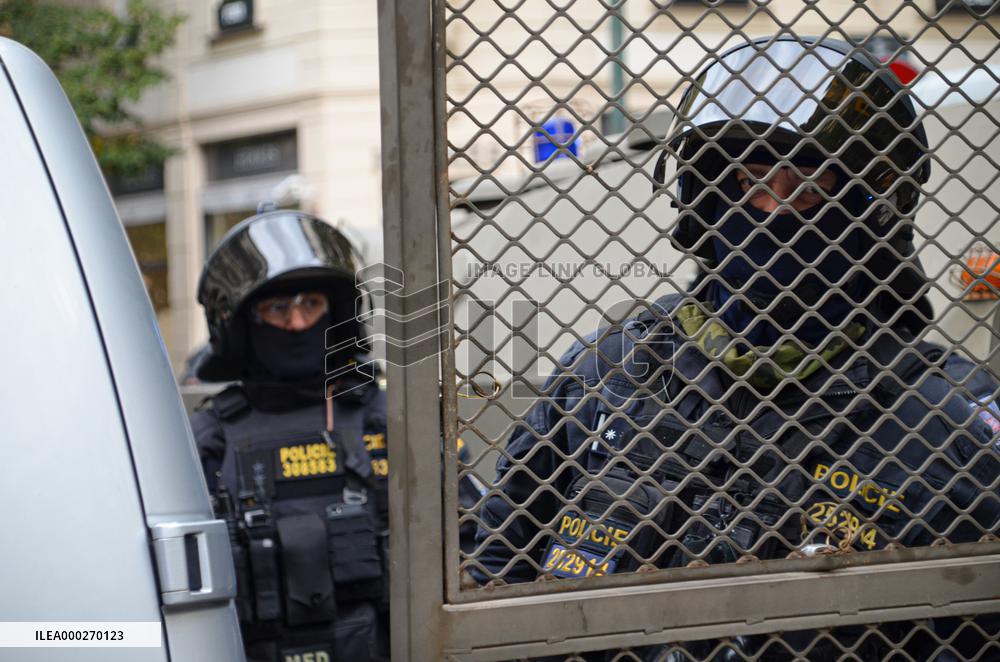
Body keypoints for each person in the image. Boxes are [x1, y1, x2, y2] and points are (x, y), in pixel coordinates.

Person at [469, 36, 999, 658]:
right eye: (749, 184)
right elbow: (494, 579)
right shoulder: (611, 369)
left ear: (868, 208)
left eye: (804, 189)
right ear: (708, 204)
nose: (771, 213)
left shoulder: (953, 422)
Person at [190, 209, 390, 662]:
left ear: (336, 312)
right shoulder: (209, 438)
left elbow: (468, 543)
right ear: (242, 324)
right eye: (278, 308)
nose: (299, 324)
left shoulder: (389, 419)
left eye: (311, 304)